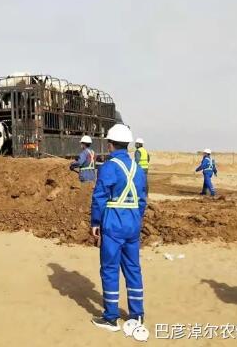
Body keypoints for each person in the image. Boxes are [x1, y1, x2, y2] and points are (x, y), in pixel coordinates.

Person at [90, 124, 148, 332]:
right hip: (133, 225)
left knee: (110, 269)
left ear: (110, 144)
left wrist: (95, 223)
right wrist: (136, 220)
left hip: (113, 225)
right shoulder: (138, 169)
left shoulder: (108, 167)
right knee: (133, 269)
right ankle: (137, 315)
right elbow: (142, 200)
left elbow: (99, 197)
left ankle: (111, 317)